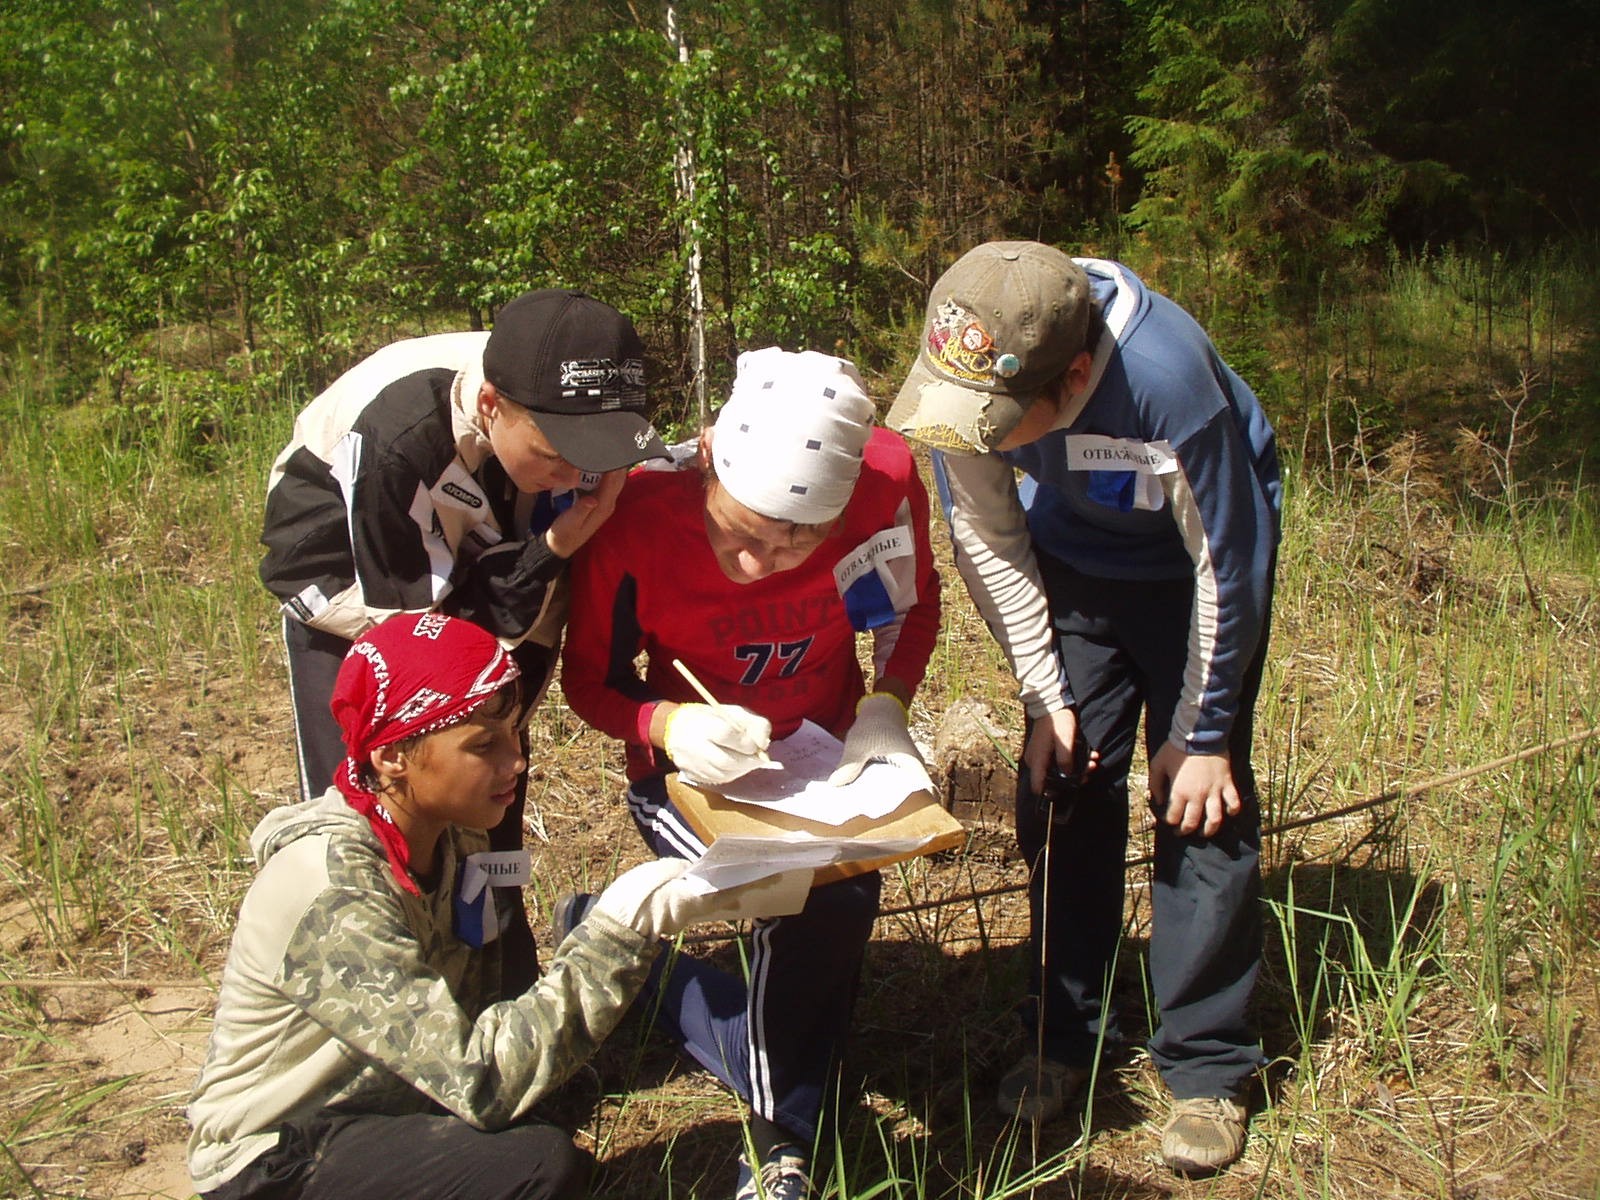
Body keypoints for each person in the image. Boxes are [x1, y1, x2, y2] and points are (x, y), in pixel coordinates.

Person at [887, 242, 1281, 1175]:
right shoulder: (970, 374)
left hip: (1197, 576)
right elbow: (986, 532)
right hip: (1079, 562)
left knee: (1200, 807)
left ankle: (1207, 1064)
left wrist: (1205, 733)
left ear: (1073, 379)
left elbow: (1231, 565)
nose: (972, 435)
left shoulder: (1166, 381)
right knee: (1062, 784)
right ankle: (1066, 1033)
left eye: (997, 422)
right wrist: (1044, 696)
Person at [187, 611, 774, 1200]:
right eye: (483, 745)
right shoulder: (333, 885)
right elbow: (482, 1082)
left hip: (391, 1109)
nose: (515, 762)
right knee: (535, 1167)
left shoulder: (452, 834)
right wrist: (616, 934)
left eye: (516, 734)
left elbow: (485, 1012)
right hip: (275, 1158)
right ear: (392, 756)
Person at [560, 347, 942, 1200]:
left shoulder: (883, 480)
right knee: (805, 900)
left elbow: (913, 608)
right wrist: (669, 722)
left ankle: (639, 963)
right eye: (739, 535)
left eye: (797, 543)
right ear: (706, 462)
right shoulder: (637, 521)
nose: (759, 566)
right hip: (688, 773)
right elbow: (587, 679)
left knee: (840, 899)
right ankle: (783, 1147)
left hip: (827, 754)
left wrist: (886, 705)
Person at [258, 288, 668, 986]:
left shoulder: (561, 387)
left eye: (597, 455)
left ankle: (500, 986)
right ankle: (387, 1004)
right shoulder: (397, 437)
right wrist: (558, 542)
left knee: (492, 779)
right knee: (391, 796)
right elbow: (420, 656)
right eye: (560, 456)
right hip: (360, 588)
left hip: (493, 548)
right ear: (490, 407)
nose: (579, 476)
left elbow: (624, 468)